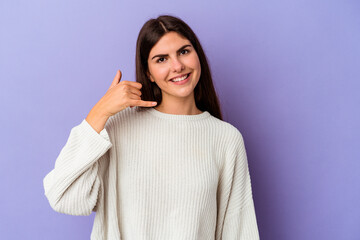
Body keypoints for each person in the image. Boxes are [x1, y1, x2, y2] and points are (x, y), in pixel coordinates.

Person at [43, 14, 260, 240]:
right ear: (149, 73)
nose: (177, 66)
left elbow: (238, 231)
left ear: (198, 56)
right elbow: (63, 196)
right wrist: (100, 112)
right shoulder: (117, 126)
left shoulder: (226, 139)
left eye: (184, 51)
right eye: (161, 59)